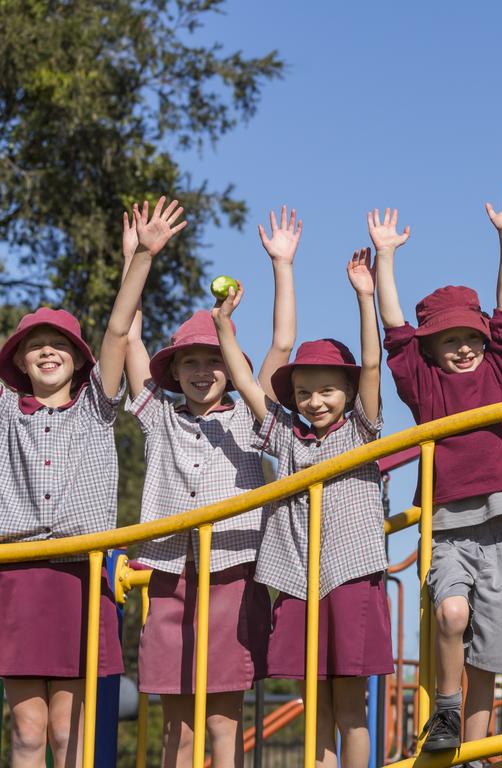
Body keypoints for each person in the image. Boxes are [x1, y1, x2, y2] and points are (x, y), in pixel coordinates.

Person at [0, 196, 183, 767]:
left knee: (68, 730)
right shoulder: (7, 411)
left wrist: (142, 259)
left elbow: (117, 328)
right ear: (22, 362)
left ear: (79, 362)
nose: (47, 351)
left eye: (59, 345)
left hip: (81, 573)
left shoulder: (96, 407)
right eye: (36, 346)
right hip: (20, 570)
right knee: (28, 730)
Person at [126, 206, 302, 767]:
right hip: (171, 570)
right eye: (190, 362)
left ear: (231, 368)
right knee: (177, 724)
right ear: (173, 373)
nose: (203, 371)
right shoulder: (160, 418)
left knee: (223, 721)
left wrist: (281, 265)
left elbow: (281, 344)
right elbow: (126, 335)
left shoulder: (252, 419)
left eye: (214, 360)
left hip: (232, 568)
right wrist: (138, 258)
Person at [213, 247, 392, 768]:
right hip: (297, 576)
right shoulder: (287, 435)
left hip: (351, 571)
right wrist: (225, 326)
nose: (316, 401)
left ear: (349, 392)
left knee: (350, 705)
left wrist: (365, 296)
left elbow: (374, 363)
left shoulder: (362, 429)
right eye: (306, 392)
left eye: (329, 391)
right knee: (313, 700)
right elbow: (246, 382)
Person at [373, 191, 502, 756]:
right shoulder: (424, 385)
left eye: (471, 337)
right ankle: (445, 712)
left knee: (490, 643)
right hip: (444, 521)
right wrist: (385, 258)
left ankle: (477, 748)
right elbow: (395, 332)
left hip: (500, 516)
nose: (463, 349)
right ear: (432, 348)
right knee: (451, 610)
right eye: (449, 340)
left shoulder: (498, 370)